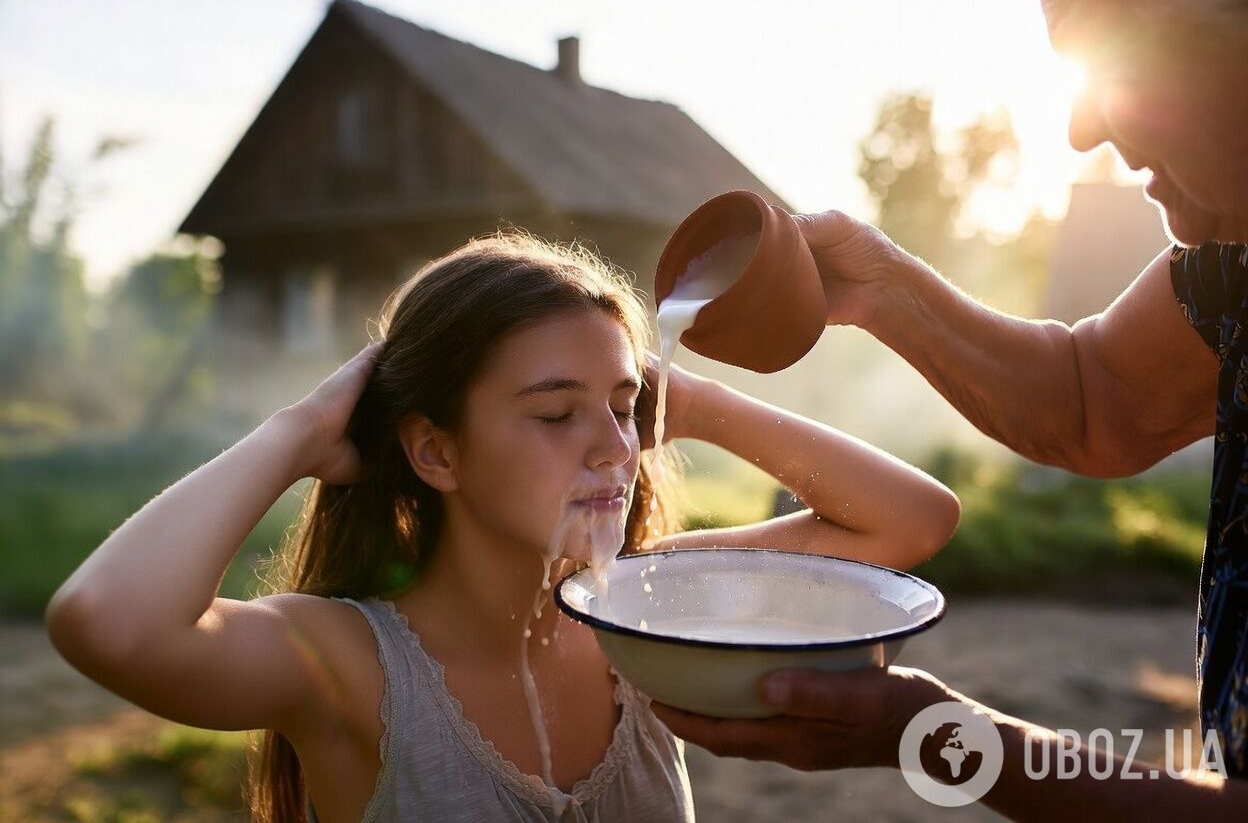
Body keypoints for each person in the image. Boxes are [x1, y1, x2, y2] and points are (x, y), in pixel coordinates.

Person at [44, 232, 960, 822]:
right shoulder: (347, 667)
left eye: (626, 408)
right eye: (556, 414)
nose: (614, 448)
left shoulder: (650, 616)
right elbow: (105, 621)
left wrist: (694, 401)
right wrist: (303, 432)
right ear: (435, 453)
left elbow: (912, 521)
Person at [652, 0, 1248, 818]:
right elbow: (1095, 400)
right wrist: (888, 289)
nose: (1081, 131)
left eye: (1121, 56)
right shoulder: (1234, 263)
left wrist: (926, 734)